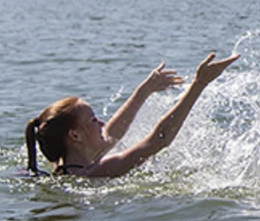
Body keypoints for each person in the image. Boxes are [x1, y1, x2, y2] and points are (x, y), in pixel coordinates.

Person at [25, 52, 240, 178]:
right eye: (93, 120)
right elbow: (159, 140)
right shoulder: (98, 172)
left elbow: (110, 136)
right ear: (75, 136)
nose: (101, 123)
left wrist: (145, 89)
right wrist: (199, 84)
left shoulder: (64, 169)